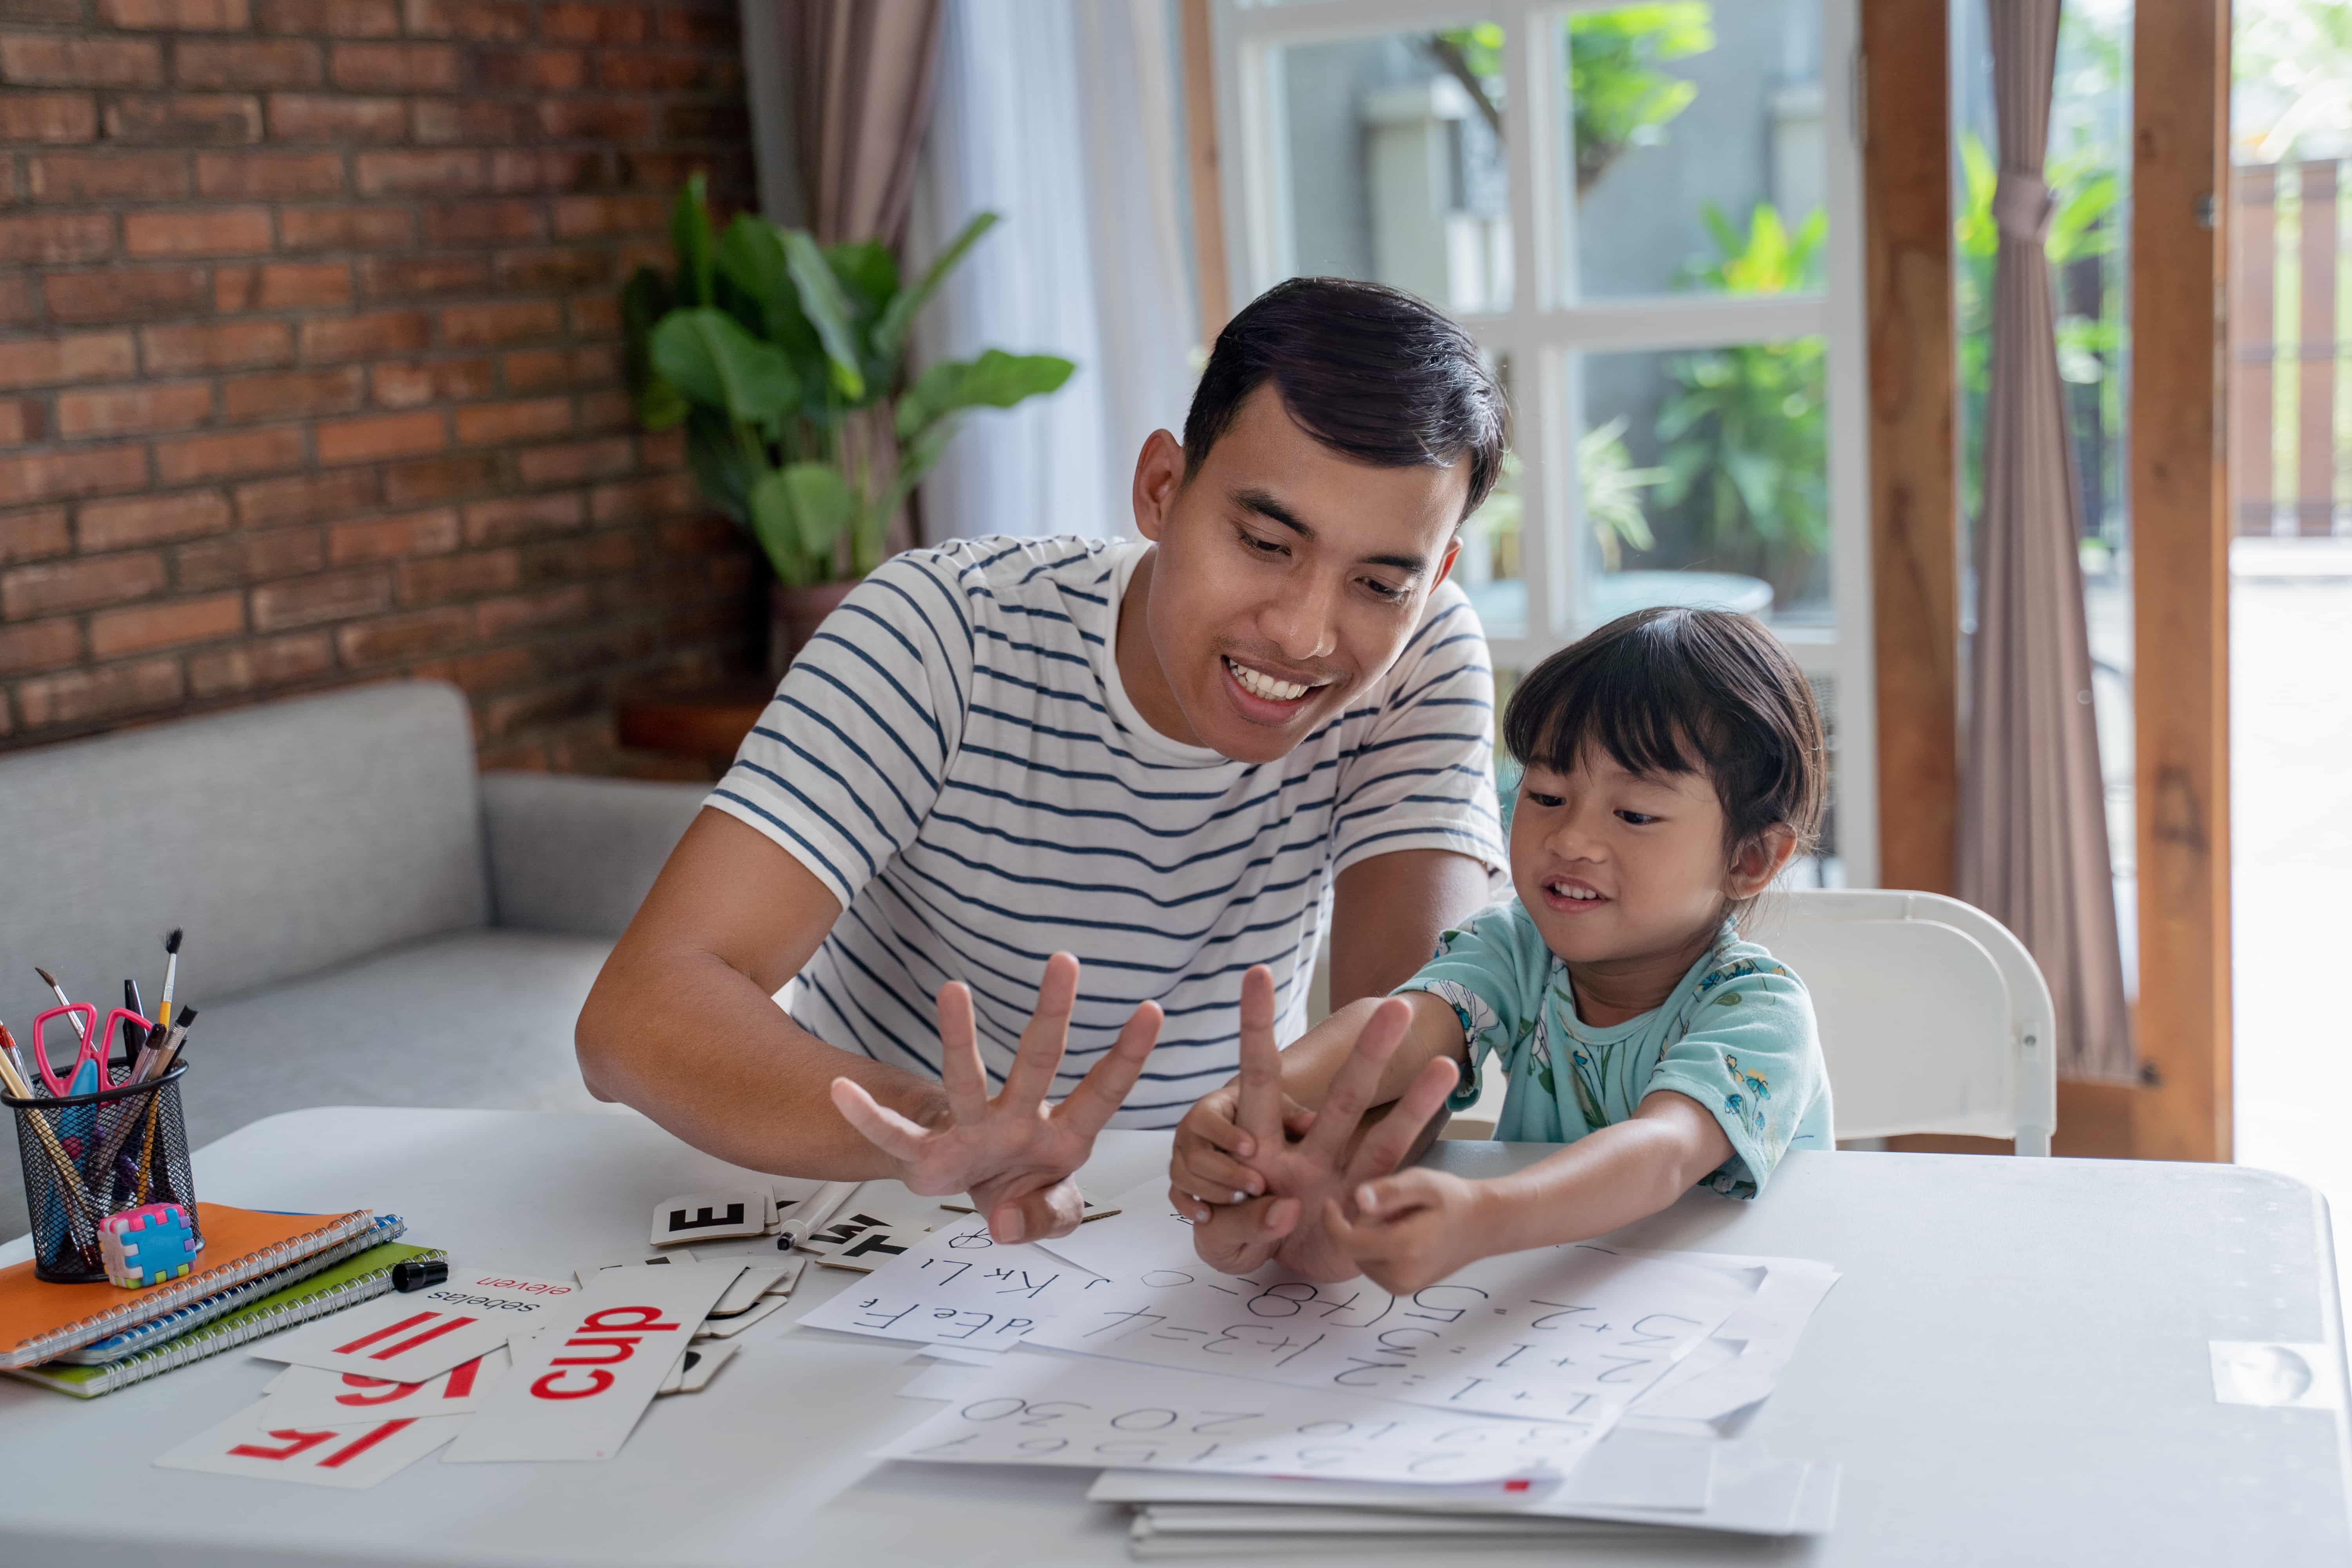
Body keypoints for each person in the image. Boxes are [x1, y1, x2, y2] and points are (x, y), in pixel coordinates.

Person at [576, 278, 1510, 1248]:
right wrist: (948, 1130)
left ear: (1433, 577)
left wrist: (1306, 1161)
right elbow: (638, 1014)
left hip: (1188, 1238)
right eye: (1266, 542)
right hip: (885, 1212)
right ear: (1161, 489)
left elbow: (1409, 1022)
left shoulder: (1423, 655)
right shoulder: (944, 631)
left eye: (1377, 582)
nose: (1305, 634)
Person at [1169, 606, 1834, 1292]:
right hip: (1567, 1298)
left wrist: (1484, 1217)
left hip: (1732, 1303)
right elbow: (1400, 1029)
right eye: (1545, 794)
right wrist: (1251, 1110)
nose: (1570, 839)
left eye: (1634, 814)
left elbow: (1661, 1155)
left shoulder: (1759, 1011)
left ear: (1752, 858)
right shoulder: (1521, 948)